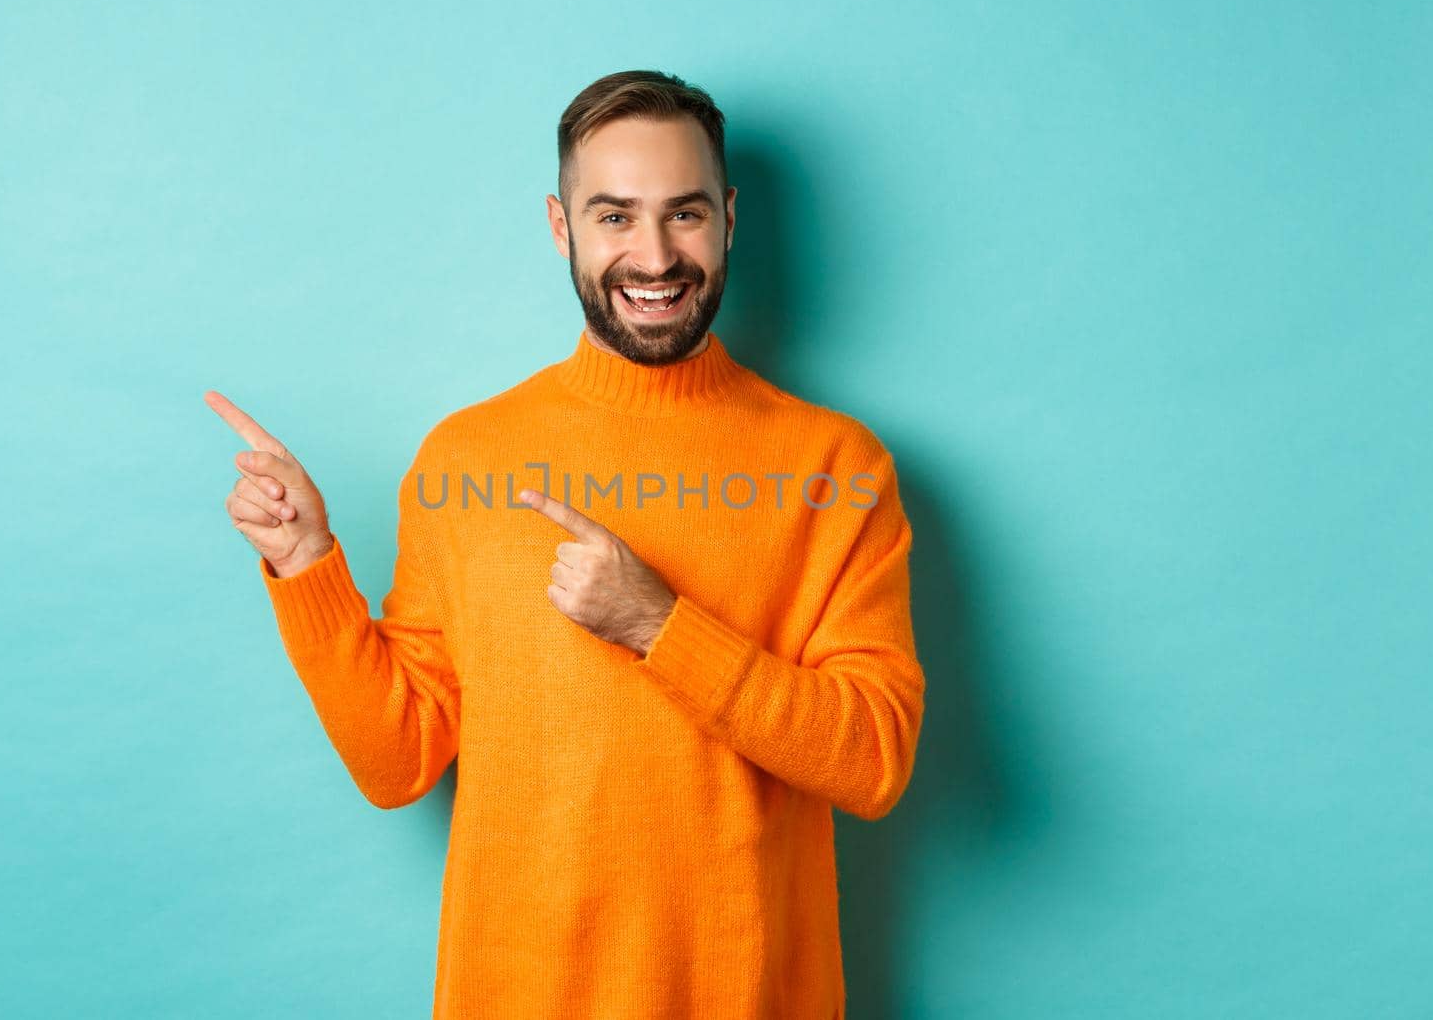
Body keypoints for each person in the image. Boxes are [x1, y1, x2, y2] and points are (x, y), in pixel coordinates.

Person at [205, 69, 926, 1019]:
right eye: (615, 216)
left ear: (730, 218)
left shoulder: (836, 465)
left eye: (686, 214)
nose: (656, 255)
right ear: (562, 228)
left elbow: (873, 759)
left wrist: (658, 623)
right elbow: (398, 760)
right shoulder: (467, 457)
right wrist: (307, 567)